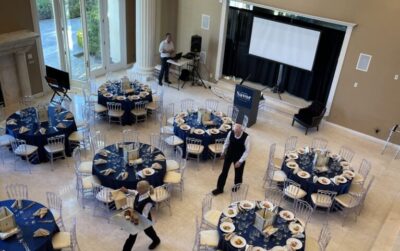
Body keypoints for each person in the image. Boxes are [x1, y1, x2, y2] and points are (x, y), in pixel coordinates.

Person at [121, 181, 161, 251]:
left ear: (143, 191)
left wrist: (132, 218)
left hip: (144, 220)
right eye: (137, 187)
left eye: (138, 188)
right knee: (132, 236)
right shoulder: (139, 193)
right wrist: (126, 190)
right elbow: (134, 192)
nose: (136, 189)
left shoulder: (148, 202)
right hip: (136, 216)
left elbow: (144, 215)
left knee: (148, 231)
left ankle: (156, 241)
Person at [212, 123, 250, 195]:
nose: (235, 133)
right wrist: (223, 152)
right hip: (230, 154)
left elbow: (247, 151)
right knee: (224, 172)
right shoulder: (231, 133)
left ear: (241, 130)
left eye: (237, 132)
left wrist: (240, 161)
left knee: (238, 173)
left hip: (239, 156)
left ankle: (237, 186)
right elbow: (226, 143)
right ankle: (219, 189)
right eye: (235, 131)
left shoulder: (246, 137)